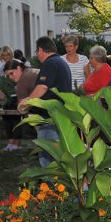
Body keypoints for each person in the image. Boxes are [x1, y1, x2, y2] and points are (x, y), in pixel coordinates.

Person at [17, 36, 72, 167]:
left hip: (50, 118)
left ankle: (51, 186)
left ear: (41, 50)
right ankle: (58, 185)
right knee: (56, 154)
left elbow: (42, 86)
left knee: (48, 157)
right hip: (59, 116)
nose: (37, 55)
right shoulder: (61, 62)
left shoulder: (50, 63)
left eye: (37, 52)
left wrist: (26, 103)